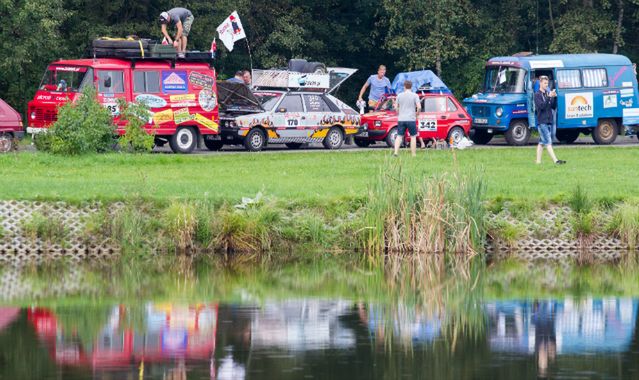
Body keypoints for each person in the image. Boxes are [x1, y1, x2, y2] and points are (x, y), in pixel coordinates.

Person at [534, 76, 565, 165]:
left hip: (548, 121)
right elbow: (542, 106)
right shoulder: (537, 95)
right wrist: (548, 97)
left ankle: (538, 161)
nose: (546, 85)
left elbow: (553, 106)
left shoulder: (547, 93)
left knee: (541, 142)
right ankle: (556, 161)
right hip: (542, 122)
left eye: (547, 83)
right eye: (544, 83)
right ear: (540, 83)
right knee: (548, 141)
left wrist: (554, 97)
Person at [394, 80, 421, 157]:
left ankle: (395, 153)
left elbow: (396, 108)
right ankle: (413, 154)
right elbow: (419, 107)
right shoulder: (415, 95)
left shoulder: (399, 95)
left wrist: (399, 113)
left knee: (399, 136)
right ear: (411, 86)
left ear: (404, 86)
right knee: (413, 136)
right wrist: (417, 114)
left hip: (401, 119)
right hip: (411, 119)